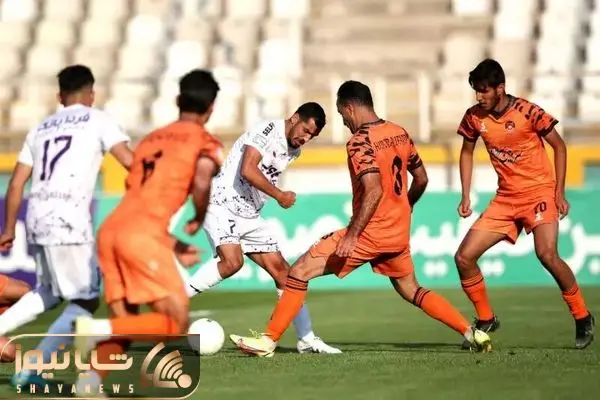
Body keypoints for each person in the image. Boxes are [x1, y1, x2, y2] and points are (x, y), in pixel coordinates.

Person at [229, 80, 493, 357]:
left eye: (342, 115)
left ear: (349, 108)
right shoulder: (399, 132)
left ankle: (268, 341)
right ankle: (471, 332)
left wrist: (353, 236)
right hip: (397, 232)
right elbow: (422, 178)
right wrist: (406, 207)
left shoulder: (360, 141)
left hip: (369, 233)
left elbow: (374, 189)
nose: (344, 123)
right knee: (412, 289)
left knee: (298, 272)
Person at [72, 69, 224, 394]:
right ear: (211, 108)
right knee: (175, 322)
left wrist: (173, 242)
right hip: (141, 235)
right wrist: (198, 217)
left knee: (127, 326)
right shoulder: (205, 141)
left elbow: (139, 197)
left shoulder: (150, 140)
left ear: (178, 100)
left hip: (111, 230)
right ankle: (98, 328)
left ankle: (88, 384)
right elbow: (202, 180)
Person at [0, 65, 133, 385]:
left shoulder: (40, 128)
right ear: (92, 93)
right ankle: (31, 369)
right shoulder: (98, 119)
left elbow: (16, 184)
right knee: (85, 300)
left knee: (48, 292)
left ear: (60, 96)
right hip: (68, 218)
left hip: (37, 216)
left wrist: (8, 229)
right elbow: (131, 161)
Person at [177, 103, 340, 354]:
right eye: (305, 131)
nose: (306, 138)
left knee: (285, 274)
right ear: (294, 118)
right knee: (232, 262)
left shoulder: (294, 151)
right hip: (221, 202)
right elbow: (248, 169)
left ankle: (306, 338)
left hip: (249, 214)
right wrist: (279, 195)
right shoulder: (266, 131)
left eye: (312, 136)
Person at [454, 59, 594, 349]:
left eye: (483, 90)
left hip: (539, 193)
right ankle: (486, 318)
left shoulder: (528, 112)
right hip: (505, 198)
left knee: (547, 254)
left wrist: (559, 192)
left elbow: (559, 146)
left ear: (500, 88)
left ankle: (582, 316)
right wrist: (466, 194)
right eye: (476, 90)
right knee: (464, 258)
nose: (479, 96)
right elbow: (466, 152)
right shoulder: (474, 117)